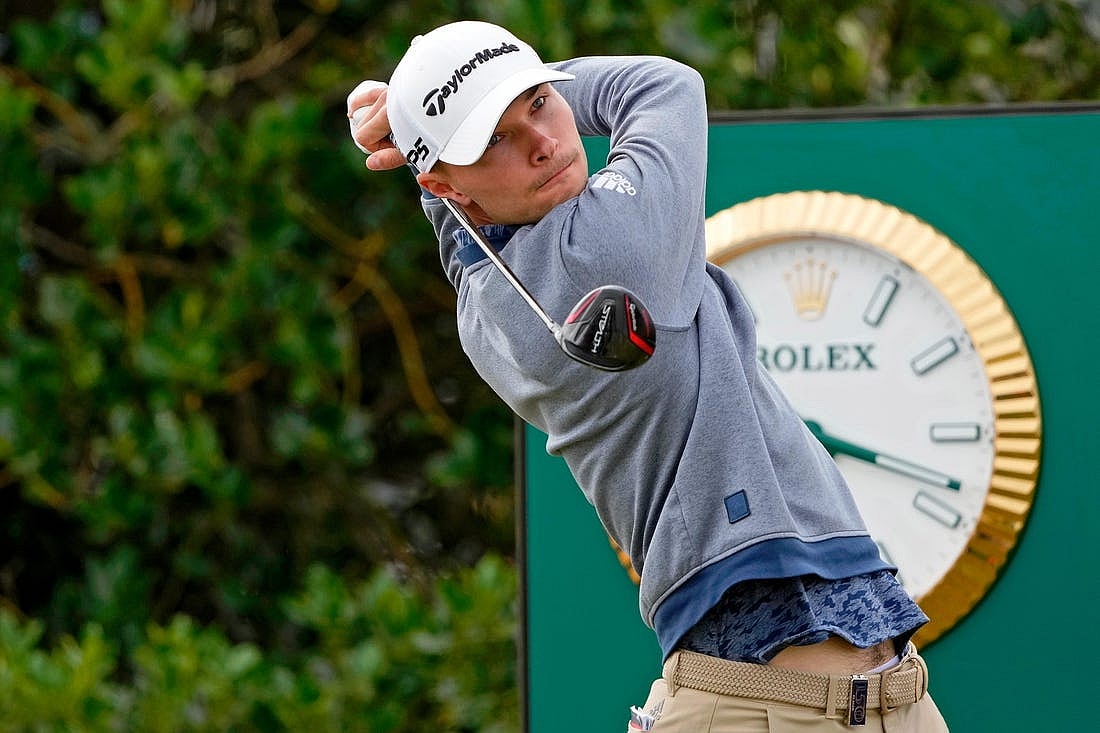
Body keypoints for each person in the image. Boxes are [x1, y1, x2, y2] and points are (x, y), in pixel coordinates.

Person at [347, 20, 950, 732]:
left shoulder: (483, 290)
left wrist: (435, 109)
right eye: (496, 139)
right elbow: (665, 85)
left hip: (888, 696)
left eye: (540, 102)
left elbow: (453, 215)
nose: (542, 141)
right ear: (448, 183)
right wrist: (462, 99)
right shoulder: (606, 251)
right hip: (759, 707)